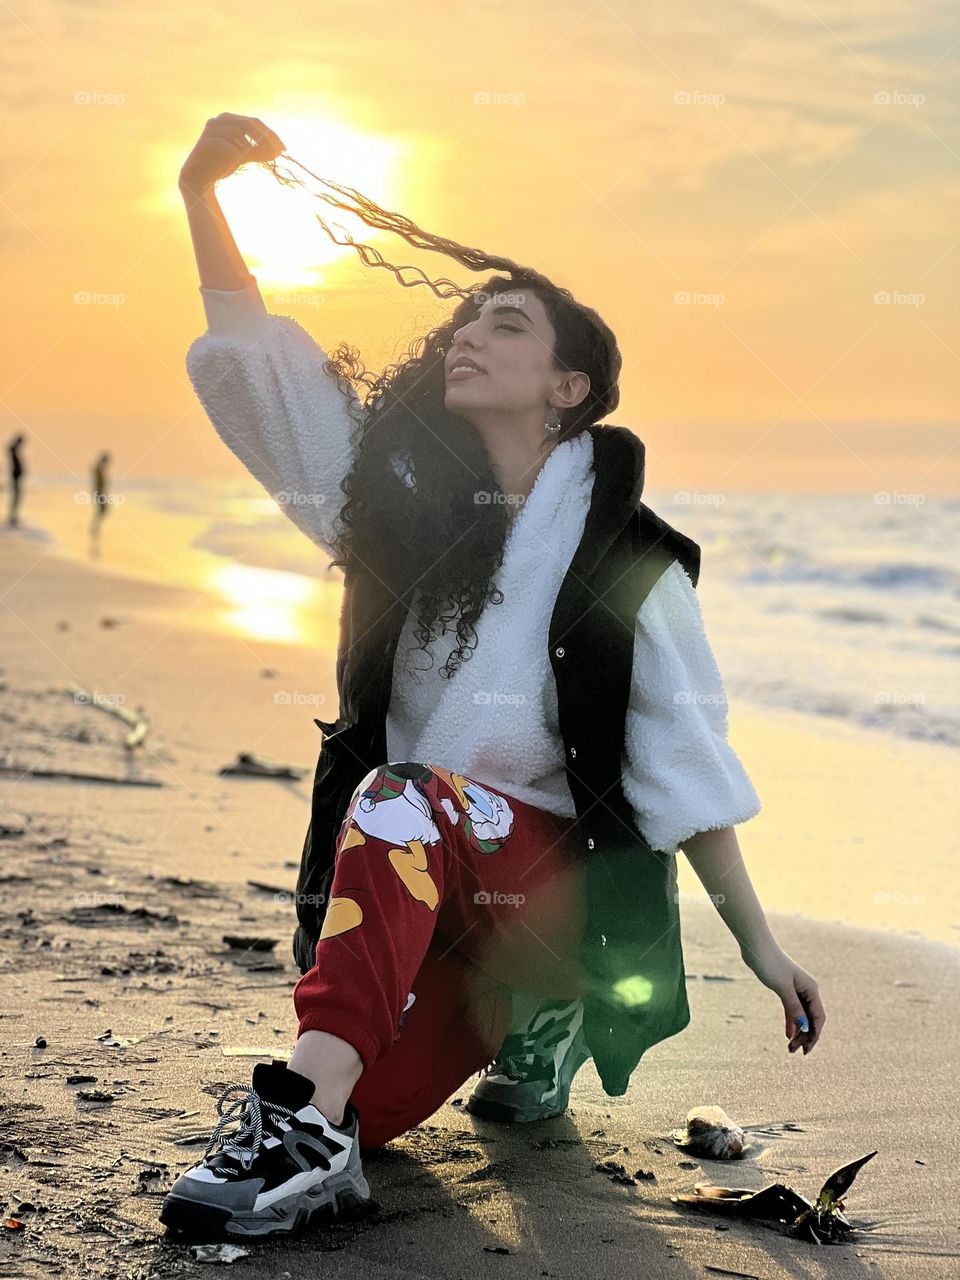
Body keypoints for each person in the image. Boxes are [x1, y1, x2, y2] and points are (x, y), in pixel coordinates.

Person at [161, 113, 826, 1242]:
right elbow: (272, 382)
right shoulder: (400, 512)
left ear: (568, 386)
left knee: (406, 791)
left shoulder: (629, 559)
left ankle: (427, 1063)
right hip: (429, 903)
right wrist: (199, 197)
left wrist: (764, 946)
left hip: (550, 894)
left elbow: (685, 766)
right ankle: (349, 1108)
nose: (467, 333)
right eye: (464, 319)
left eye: (504, 323)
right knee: (358, 1099)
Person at [7, 433, 25, 527]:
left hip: (16, 477)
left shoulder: (15, 452)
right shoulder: (13, 450)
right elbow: (9, 448)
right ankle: (12, 518)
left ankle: (13, 517)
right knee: (16, 498)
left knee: (16, 498)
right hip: (15, 477)